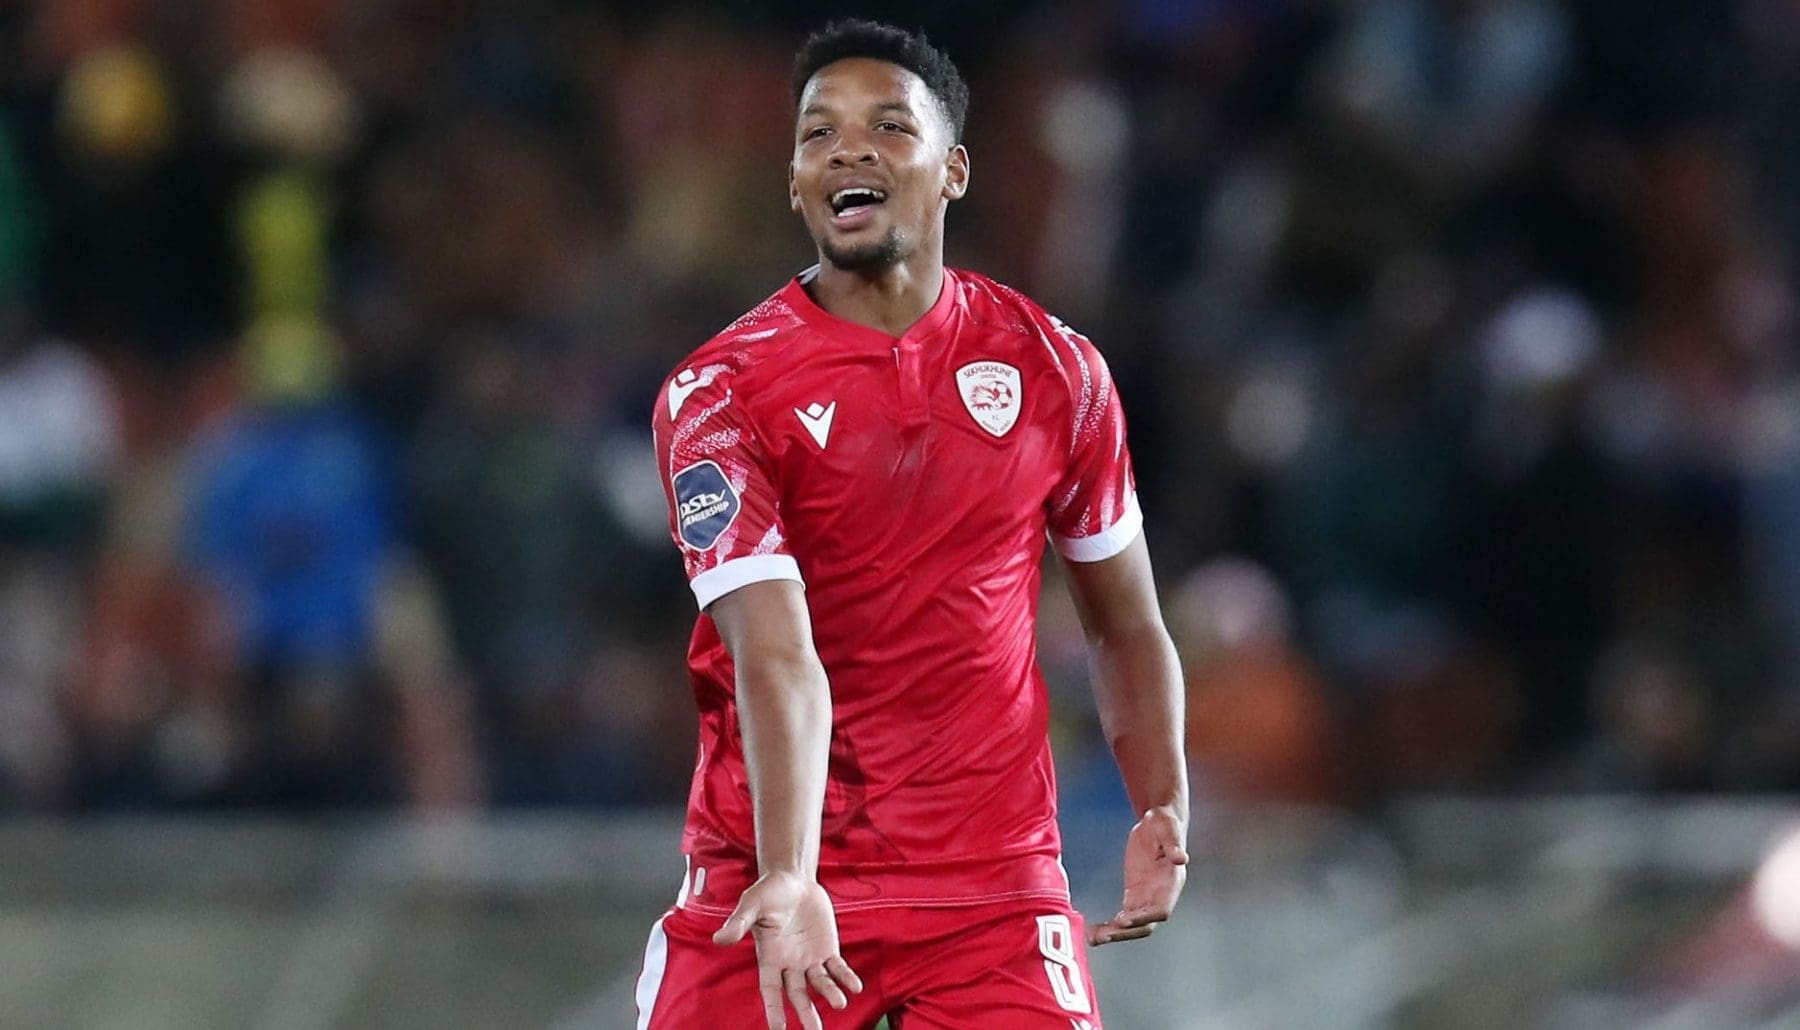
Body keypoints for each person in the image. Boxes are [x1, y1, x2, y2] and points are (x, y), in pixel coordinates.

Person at [639, 20, 1188, 1029]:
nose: (848, 150)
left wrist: (1163, 802)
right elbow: (776, 654)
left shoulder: (1057, 371)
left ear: (954, 171)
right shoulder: (720, 393)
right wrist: (793, 872)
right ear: (795, 183)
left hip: (994, 892)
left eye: (889, 126)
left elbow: (1125, 622)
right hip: (770, 880)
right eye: (819, 134)